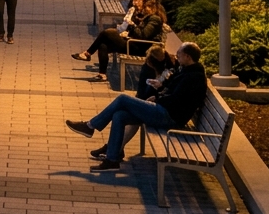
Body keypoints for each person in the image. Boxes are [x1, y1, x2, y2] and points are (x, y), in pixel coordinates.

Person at [67, 42, 209, 170]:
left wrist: (158, 99)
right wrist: (159, 92)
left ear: (188, 57)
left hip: (169, 116)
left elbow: (177, 99)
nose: (176, 56)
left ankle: (90, 126)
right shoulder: (186, 70)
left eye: (179, 54)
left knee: (123, 99)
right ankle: (112, 159)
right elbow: (172, 92)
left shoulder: (193, 77)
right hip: (165, 111)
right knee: (120, 115)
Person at [86, 45, 178, 161]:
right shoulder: (148, 67)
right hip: (154, 105)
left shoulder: (171, 71)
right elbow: (142, 90)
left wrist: (156, 94)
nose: (146, 63)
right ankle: (113, 153)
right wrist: (142, 100)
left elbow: (171, 95)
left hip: (163, 111)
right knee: (120, 114)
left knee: (123, 99)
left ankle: (93, 128)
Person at [70, 0, 165, 81]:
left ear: (152, 8)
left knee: (107, 33)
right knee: (103, 44)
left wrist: (132, 26)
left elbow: (143, 35)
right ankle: (102, 74)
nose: (145, 9)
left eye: (147, 7)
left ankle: (88, 53)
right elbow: (141, 32)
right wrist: (129, 32)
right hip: (135, 43)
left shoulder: (155, 19)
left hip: (140, 48)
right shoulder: (150, 18)